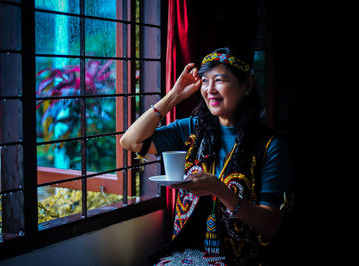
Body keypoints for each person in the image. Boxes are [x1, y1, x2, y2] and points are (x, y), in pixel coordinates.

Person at [120, 47, 291, 265]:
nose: (210, 89)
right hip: (187, 255)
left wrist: (221, 191)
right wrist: (174, 95)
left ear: (247, 85)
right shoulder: (192, 129)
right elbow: (130, 141)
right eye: (204, 80)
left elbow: (270, 225)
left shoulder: (269, 146)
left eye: (219, 80)